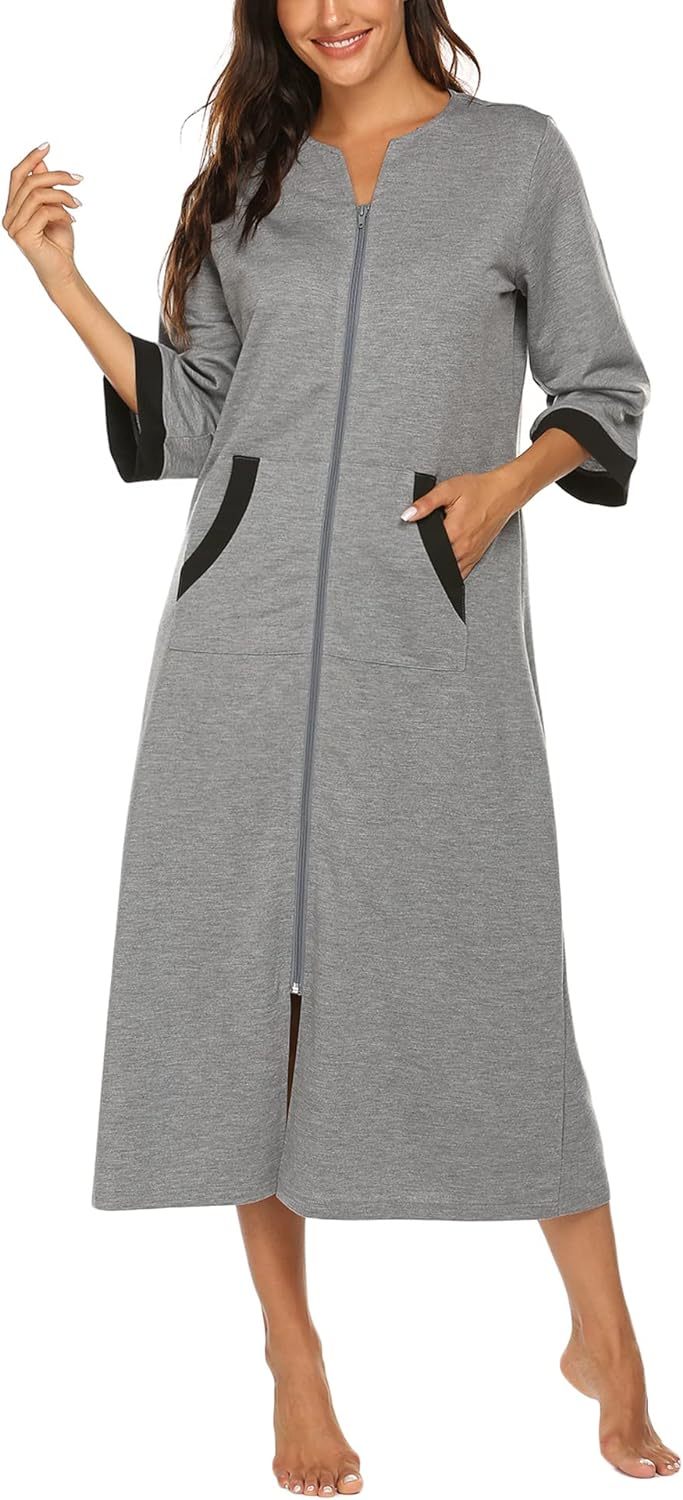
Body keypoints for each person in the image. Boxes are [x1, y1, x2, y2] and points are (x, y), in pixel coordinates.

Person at [4, 1, 678, 1492]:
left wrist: (507, 486)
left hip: (430, 637)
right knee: (248, 995)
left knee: (496, 965)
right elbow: (195, 424)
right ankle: (293, 1355)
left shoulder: (518, 160)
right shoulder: (246, 183)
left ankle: (608, 1335)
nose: (329, 11)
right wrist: (61, 284)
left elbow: (604, 385)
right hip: (235, 649)